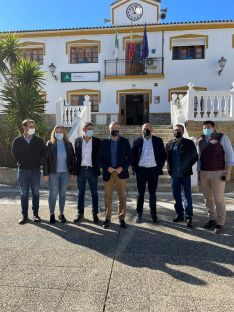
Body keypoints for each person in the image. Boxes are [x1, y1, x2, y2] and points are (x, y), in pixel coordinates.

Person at [198, 120, 234, 234]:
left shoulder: (222, 137)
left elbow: (230, 155)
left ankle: (220, 223)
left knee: (219, 198)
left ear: (214, 128)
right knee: (207, 198)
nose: (206, 129)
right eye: (204, 127)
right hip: (204, 173)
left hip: (218, 173)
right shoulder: (201, 140)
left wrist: (228, 171)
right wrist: (199, 172)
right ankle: (212, 219)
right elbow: (200, 158)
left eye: (208, 127)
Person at [12, 119, 46, 224]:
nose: (32, 128)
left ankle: (36, 214)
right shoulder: (17, 141)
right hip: (22, 171)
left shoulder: (39, 140)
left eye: (33, 126)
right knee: (24, 194)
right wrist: (23, 162)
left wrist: (36, 163)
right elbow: (15, 155)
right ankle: (24, 216)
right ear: (24, 127)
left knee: (36, 193)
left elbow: (43, 154)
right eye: (30, 126)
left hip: (35, 171)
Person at [99, 122, 132, 229]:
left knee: (122, 197)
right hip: (108, 173)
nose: (115, 130)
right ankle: (107, 218)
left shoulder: (125, 142)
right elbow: (99, 159)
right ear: (109, 129)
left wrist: (122, 168)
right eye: (113, 128)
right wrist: (106, 167)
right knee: (107, 197)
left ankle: (122, 218)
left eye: (117, 128)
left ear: (119, 129)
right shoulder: (104, 142)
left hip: (120, 173)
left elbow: (130, 158)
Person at [132, 123, 166, 223]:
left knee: (152, 194)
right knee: (140, 194)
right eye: (144, 129)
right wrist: (135, 169)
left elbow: (163, 156)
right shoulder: (137, 141)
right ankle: (139, 214)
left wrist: (158, 167)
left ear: (152, 130)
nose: (146, 130)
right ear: (141, 130)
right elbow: (132, 156)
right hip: (141, 171)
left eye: (148, 129)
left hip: (153, 171)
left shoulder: (158, 141)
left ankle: (153, 214)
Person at [166, 124, 198, 228]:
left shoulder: (189, 143)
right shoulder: (170, 144)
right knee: (176, 195)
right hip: (174, 175)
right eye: (175, 130)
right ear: (173, 131)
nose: (177, 132)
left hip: (185, 174)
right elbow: (167, 158)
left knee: (187, 195)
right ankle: (179, 214)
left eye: (179, 130)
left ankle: (189, 217)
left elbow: (195, 157)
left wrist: (187, 165)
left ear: (183, 131)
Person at [43, 125, 76, 223]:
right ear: (54, 133)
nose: (59, 134)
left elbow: (73, 159)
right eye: (56, 132)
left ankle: (61, 214)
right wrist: (45, 174)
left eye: (61, 132)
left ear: (64, 133)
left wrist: (73, 172)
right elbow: (45, 160)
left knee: (62, 194)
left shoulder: (69, 144)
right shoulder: (50, 144)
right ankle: (52, 214)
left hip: (65, 173)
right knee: (53, 194)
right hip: (53, 173)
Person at [73, 122, 101, 224]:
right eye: (89, 128)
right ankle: (80, 213)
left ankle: (95, 214)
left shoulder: (98, 141)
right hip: (81, 170)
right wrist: (74, 170)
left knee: (94, 193)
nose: (91, 130)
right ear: (84, 130)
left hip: (92, 170)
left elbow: (100, 156)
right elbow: (75, 157)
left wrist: (99, 167)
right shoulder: (77, 141)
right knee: (81, 193)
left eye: (92, 129)